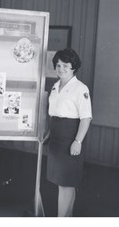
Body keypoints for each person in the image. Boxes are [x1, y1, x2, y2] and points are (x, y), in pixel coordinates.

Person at [44, 49, 92, 217]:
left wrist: (77, 141)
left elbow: (86, 118)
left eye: (65, 65)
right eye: (58, 65)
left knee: (67, 183)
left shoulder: (80, 88)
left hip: (70, 137)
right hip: (56, 137)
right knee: (60, 181)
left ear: (73, 67)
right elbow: (54, 113)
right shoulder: (55, 86)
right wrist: (49, 132)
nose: (61, 68)